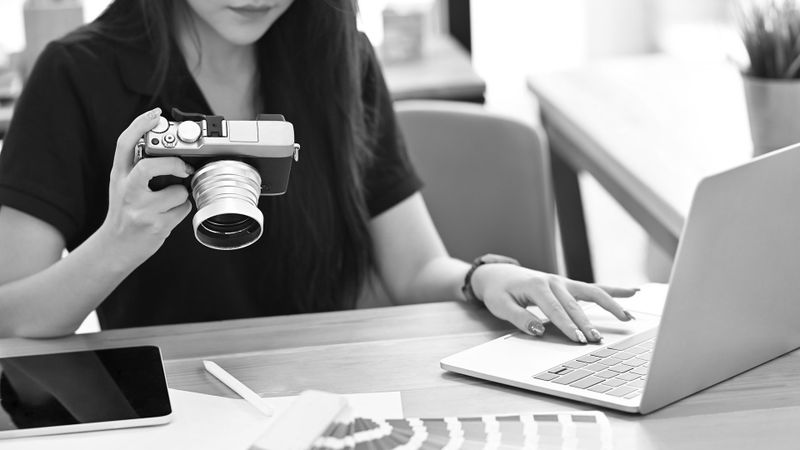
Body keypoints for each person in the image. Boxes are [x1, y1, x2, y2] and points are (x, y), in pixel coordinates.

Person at [0, 0, 635, 341]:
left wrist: (488, 276)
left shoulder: (338, 54)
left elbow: (414, 269)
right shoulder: (75, 74)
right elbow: (13, 316)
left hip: (330, 396)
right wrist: (118, 241)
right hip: (176, 409)